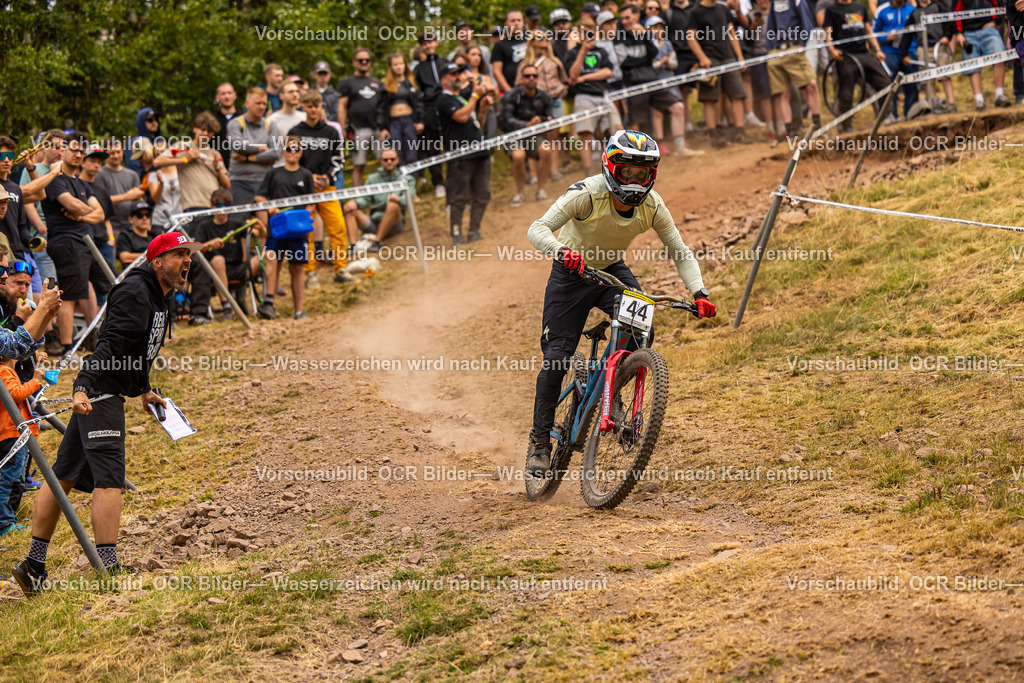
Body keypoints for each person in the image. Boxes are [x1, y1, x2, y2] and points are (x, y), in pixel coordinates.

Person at [12, 232, 194, 594]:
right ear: (157, 261)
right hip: (99, 394)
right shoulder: (135, 291)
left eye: (188, 254)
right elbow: (109, 344)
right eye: (178, 254)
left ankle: (33, 564)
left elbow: (138, 349)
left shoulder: (159, 295)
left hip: (104, 392)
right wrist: (82, 386)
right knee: (110, 478)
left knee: (62, 474)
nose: (186, 260)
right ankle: (108, 567)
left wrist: (142, 390)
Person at [523, 130, 715, 474]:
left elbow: (680, 251)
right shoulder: (587, 193)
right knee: (556, 359)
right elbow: (538, 228)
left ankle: (612, 392)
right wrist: (561, 252)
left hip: (610, 270)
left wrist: (700, 293)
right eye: (628, 172)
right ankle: (539, 442)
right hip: (571, 273)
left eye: (642, 174)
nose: (635, 181)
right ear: (611, 167)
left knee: (643, 329)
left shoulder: (653, 206)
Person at [34, 133, 108, 353]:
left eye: (81, 152)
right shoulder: (54, 179)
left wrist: (81, 216)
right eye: (74, 149)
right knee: (70, 295)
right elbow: (71, 204)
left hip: (87, 242)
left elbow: (100, 214)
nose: (78, 155)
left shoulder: (81, 183)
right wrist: (85, 211)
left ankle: (94, 338)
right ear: (63, 150)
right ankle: (67, 347)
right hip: (66, 242)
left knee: (106, 285)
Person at [287, 91, 353, 285]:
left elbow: (339, 159)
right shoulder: (295, 132)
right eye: (309, 105)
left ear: (321, 107)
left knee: (338, 226)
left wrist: (327, 178)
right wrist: (309, 178)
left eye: (317, 105)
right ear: (303, 107)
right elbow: (292, 159)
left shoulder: (331, 132)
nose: (313, 109)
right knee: (305, 231)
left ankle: (341, 269)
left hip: (327, 188)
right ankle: (310, 272)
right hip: (304, 190)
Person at [254, 136, 315, 320]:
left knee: (297, 267)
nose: (293, 153)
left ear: (301, 152)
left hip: (298, 230)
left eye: (296, 149)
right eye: (289, 149)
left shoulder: (306, 175)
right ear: (283, 152)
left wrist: (305, 215)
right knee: (272, 261)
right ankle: (269, 303)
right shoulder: (274, 173)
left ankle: (299, 310)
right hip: (277, 228)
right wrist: (270, 207)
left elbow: (312, 202)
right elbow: (259, 197)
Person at [437, 63, 494, 246]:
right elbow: (460, 117)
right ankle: (457, 235)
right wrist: (475, 95)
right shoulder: (443, 100)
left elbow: (476, 123)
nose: (458, 77)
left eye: (459, 73)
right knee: (459, 197)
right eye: (453, 74)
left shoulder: (461, 98)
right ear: (443, 80)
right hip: (460, 157)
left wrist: (482, 110)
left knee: (483, 193)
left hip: (479, 152)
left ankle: (474, 231)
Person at [190, 189, 265, 320]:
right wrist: (210, 244)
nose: (224, 209)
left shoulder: (237, 224)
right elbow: (195, 251)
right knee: (218, 260)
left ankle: (268, 303)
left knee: (269, 256)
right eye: (220, 205)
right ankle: (227, 309)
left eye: (228, 206)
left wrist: (262, 228)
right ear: (212, 206)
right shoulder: (204, 226)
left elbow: (259, 238)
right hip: (215, 272)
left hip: (239, 268)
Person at [687, 0, 752, 147]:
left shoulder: (723, 9)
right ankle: (714, 136)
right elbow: (691, 38)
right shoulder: (696, 12)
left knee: (738, 94)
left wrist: (740, 57)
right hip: (710, 60)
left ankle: (740, 132)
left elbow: (732, 33)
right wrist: (702, 57)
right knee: (709, 98)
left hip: (728, 58)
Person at [0, 344, 49, 537]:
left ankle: (9, 516)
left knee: (16, 478)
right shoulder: (3, 371)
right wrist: (35, 381)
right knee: (10, 479)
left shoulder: (7, 370)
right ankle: (4, 522)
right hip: (12, 434)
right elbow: (15, 395)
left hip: (16, 433)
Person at [564, 23, 622, 174]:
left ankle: (619, 167)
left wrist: (584, 78)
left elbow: (608, 72)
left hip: (603, 94)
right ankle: (589, 174)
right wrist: (583, 51)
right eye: (583, 32)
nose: (587, 36)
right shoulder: (572, 53)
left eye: (590, 32)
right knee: (586, 138)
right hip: (583, 97)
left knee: (617, 131)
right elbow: (572, 75)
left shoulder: (601, 51)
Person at [824, 0, 890, 131]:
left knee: (885, 83)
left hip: (864, 53)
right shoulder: (831, 10)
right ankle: (846, 126)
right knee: (846, 94)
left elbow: (868, 30)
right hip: (845, 57)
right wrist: (832, 50)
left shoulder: (859, 7)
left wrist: (877, 50)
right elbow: (828, 32)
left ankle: (886, 117)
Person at [764, 0, 824, 138]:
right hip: (777, 51)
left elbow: (807, 22)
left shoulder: (797, 1)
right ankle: (790, 132)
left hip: (795, 48)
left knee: (812, 85)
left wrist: (802, 44)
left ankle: (817, 126)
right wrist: (770, 50)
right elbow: (771, 26)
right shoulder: (774, 2)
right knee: (782, 94)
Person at [516, 30, 571, 180]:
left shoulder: (555, 61)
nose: (544, 40)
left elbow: (564, 79)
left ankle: (554, 171)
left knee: (554, 137)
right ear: (531, 41)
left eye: (546, 37)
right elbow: (518, 85)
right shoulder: (525, 64)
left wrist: (563, 90)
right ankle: (534, 174)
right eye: (539, 37)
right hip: (534, 103)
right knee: (534, 137)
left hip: (555, 101)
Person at [500, 65, 556, 207]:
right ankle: (520, 193)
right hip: (512, 135)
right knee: (518, 156)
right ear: (521, 78)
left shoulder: (544, 97)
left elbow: (550, 118)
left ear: (538, 78)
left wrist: (543, 121)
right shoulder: (511, 96)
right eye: (527, 76)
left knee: (546, 150)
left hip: (534, 135)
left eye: (534, 76)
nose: (531, 78)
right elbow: (505, 120)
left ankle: (541, 190)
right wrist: (527, 124)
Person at [153, 112, 230, 213]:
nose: (206, 134)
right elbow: (157, 162)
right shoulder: (182, 146)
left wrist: (218, 169)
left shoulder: (215, 153)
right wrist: (185, 159)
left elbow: (227, 185)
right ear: (195, 128)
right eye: (203, 129)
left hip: (214, 206)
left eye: (210, 131)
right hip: (193, 205)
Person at [344, 149, 410, 252]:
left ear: (397, 160)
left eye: (392, 159)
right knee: (350, 207)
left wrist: (398, 199)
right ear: (381, 161)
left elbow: (408, 199)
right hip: (374, 223)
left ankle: (376, 243)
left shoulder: (406, 178)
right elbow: (365, 199)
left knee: (392, 204)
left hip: (395, 223)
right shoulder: (372, 179)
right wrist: (355, 203)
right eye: (386, 159)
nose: (389, 162)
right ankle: (353, 246)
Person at [899, 0, 957, 114]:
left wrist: (947, 36)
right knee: (927, 78)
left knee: (945, 75)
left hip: (939, 46)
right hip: (923, 49)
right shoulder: (915, 13)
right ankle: (933, 105)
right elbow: (907, 34)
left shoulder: (938, 7)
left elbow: (949, 24)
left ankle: (951, 104)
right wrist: (904, 54)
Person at [338, 48, 385, 187]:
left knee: (384, 161)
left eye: (367, 60)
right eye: (360, 60)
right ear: (354, 62)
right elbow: (341, 106)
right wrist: (342, 129)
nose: (364, 62)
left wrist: (385, 127)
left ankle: (384, 193)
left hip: (378, 128)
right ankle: (358, 198)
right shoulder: (347, 82)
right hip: (357, 129)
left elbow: (383, 106)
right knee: (359, 165)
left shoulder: (377, 82)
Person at [227, 88, 281, 207]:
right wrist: (261, 147)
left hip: (264, 182)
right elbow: (238, 146)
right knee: (239, 222)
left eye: (264, 104)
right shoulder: (235, 123)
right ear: (247, 103)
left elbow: (276, 153)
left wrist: (247, 158)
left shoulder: (271, 125)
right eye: (258, 103)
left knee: (266, 223)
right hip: (239, 181)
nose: (262, 107)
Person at [952, 0, 1010, 110]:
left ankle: (1000, 95)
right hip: (968, 34)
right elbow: (954, 13)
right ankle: (979, 101)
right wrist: (958, 33)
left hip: (988, 29)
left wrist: (995, 21)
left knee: (1000, 57)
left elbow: (1002, 5)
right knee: (972, 66)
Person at [413, 31, 449, 197]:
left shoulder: (446, 63)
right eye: (424, 43)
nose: (428, 45)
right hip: (429, 109)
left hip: (448, 107)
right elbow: (418, 94)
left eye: (430, 41)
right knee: (433, 146)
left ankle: (452, 178)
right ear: (422, 47)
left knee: (451, 142)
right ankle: (438, 182)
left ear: (436, 42)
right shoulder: (419, 69)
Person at [874, 0, 920, 121]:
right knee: (889, 85)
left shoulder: (912, 10)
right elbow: (874, 33)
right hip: (889, 52)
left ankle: (911, 113)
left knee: (912, 84)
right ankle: (891, 115)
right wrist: (887, 36)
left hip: (910, 51)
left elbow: (918, 31)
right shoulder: (882, 11)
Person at [379, 52, 425, 168]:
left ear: (405, 65)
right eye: (395, 64)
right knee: (396, 152)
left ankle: (411, 181)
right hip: (393, 123)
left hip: (409, 121)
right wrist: (383, 128)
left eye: (401, 63)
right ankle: (398, 182)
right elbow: (381, 107)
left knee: (411, 153)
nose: (398, 67)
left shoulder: (412, 83)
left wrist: (421, 122)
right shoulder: (386, 85)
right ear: (391, 67)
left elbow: (419, 103)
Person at [95, 137, 144, 240]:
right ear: (105, 154)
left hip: (133, 227)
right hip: (111, 228)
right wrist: (125, 197)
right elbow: (101, 202)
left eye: (118, 152)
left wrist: (138, 197)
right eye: (112, 153)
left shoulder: (133, 174)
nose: (116, 156)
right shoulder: (99, 174)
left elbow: (140, 202)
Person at [492, 9, 529, 93]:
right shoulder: (500, 45)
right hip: (512, 89)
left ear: (523, 22)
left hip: (533, 89)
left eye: (519, 20)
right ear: (506, 24)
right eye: (512, 21)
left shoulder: (531, 40)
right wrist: (509, 91)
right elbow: (496, 71)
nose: (516, 23)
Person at [467, 46, 499, 138]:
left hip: (487, 108)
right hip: (472, 109)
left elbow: (493, 91)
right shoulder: (464, 75)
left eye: (479, 55)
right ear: (467, 56)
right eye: (473, 54)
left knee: (490, 137)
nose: (477, 57)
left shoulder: (485, 76)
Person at [114, 201, 158, 267]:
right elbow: (124, 257)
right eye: (139, 215)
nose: (144, 218)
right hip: (137, 272)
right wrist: (151, 255)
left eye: (147, 215)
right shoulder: (125, 236)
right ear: (130, 219)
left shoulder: (155, 236)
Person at [267, 81, 306, 149]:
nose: (295, 94)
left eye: (297, 91)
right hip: (280, 159)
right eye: (290, 92)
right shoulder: (272, 120)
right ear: (281, 96)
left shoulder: (305, 117)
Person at [212, 83, 239, 171]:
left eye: (229, 93)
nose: (227, 96)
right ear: (217, 97)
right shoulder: (212, 120)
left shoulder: (243, 118)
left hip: (241, 167)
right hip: (218, 168)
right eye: (223, 94)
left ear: (234, 96)